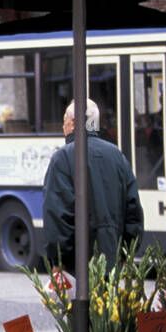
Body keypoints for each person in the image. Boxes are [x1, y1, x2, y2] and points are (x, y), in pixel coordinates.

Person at [42, 98, 144, 273]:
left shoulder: (63, 157)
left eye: (64, 120)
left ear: (73, 123)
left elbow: (57, 216)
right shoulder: (117, 156)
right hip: (112, 264)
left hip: (76, 268)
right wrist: (125, 255)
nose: (62, 126)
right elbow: (133, 211)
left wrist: (58, 261)